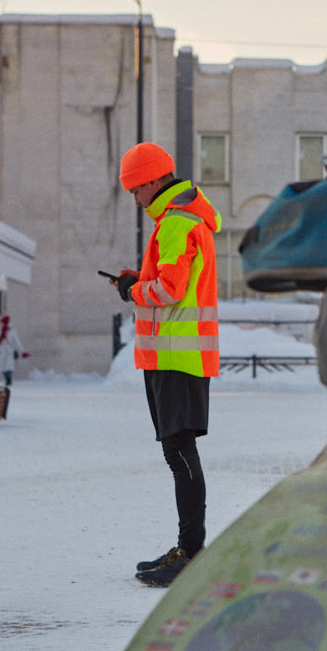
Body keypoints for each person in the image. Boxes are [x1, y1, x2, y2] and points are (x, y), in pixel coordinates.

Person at [109, 142, 221, 588]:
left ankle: (190, 552)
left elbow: (169, 290)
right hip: (179, 353)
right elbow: (173, 282)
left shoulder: (175, 222)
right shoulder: (183, 219)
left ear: (154, 181)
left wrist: (133, 292)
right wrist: (141, 280)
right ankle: (187, 548)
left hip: (176, 354)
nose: (135, 200)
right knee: (179, 453)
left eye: (136, 190)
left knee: (179, 453)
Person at [0, 314, 28, 385]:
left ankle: (8, 380)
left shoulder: (11, 331)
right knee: (2, 367)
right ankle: (7, 379)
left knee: (8, 367)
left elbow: (17, 341)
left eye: (2, 323)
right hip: (2, 352)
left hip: (9, 351)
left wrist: (23, 351)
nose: (1, 324)